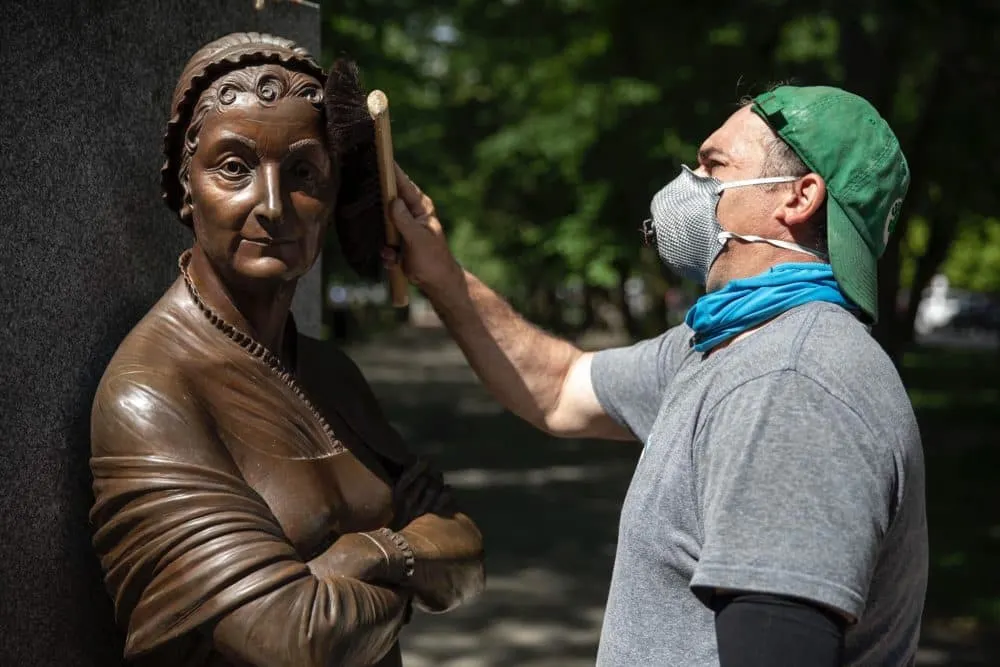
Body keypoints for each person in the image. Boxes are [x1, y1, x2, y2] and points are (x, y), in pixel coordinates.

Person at [385, 85, 928, 666]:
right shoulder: (720, 346)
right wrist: (440, 272)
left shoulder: (792, 388)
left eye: (713, 165)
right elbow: (561, 387)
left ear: (799, 198)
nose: (689, 182)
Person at [88, 33, 484, 667]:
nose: (274, 206)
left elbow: (467, 551)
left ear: (332, 195)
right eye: (234, 167)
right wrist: (413, 565)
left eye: (303, 173)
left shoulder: (333, 375)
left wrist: (367, 555)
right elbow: (295, 638)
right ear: (186, 187)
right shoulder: (152, 395)